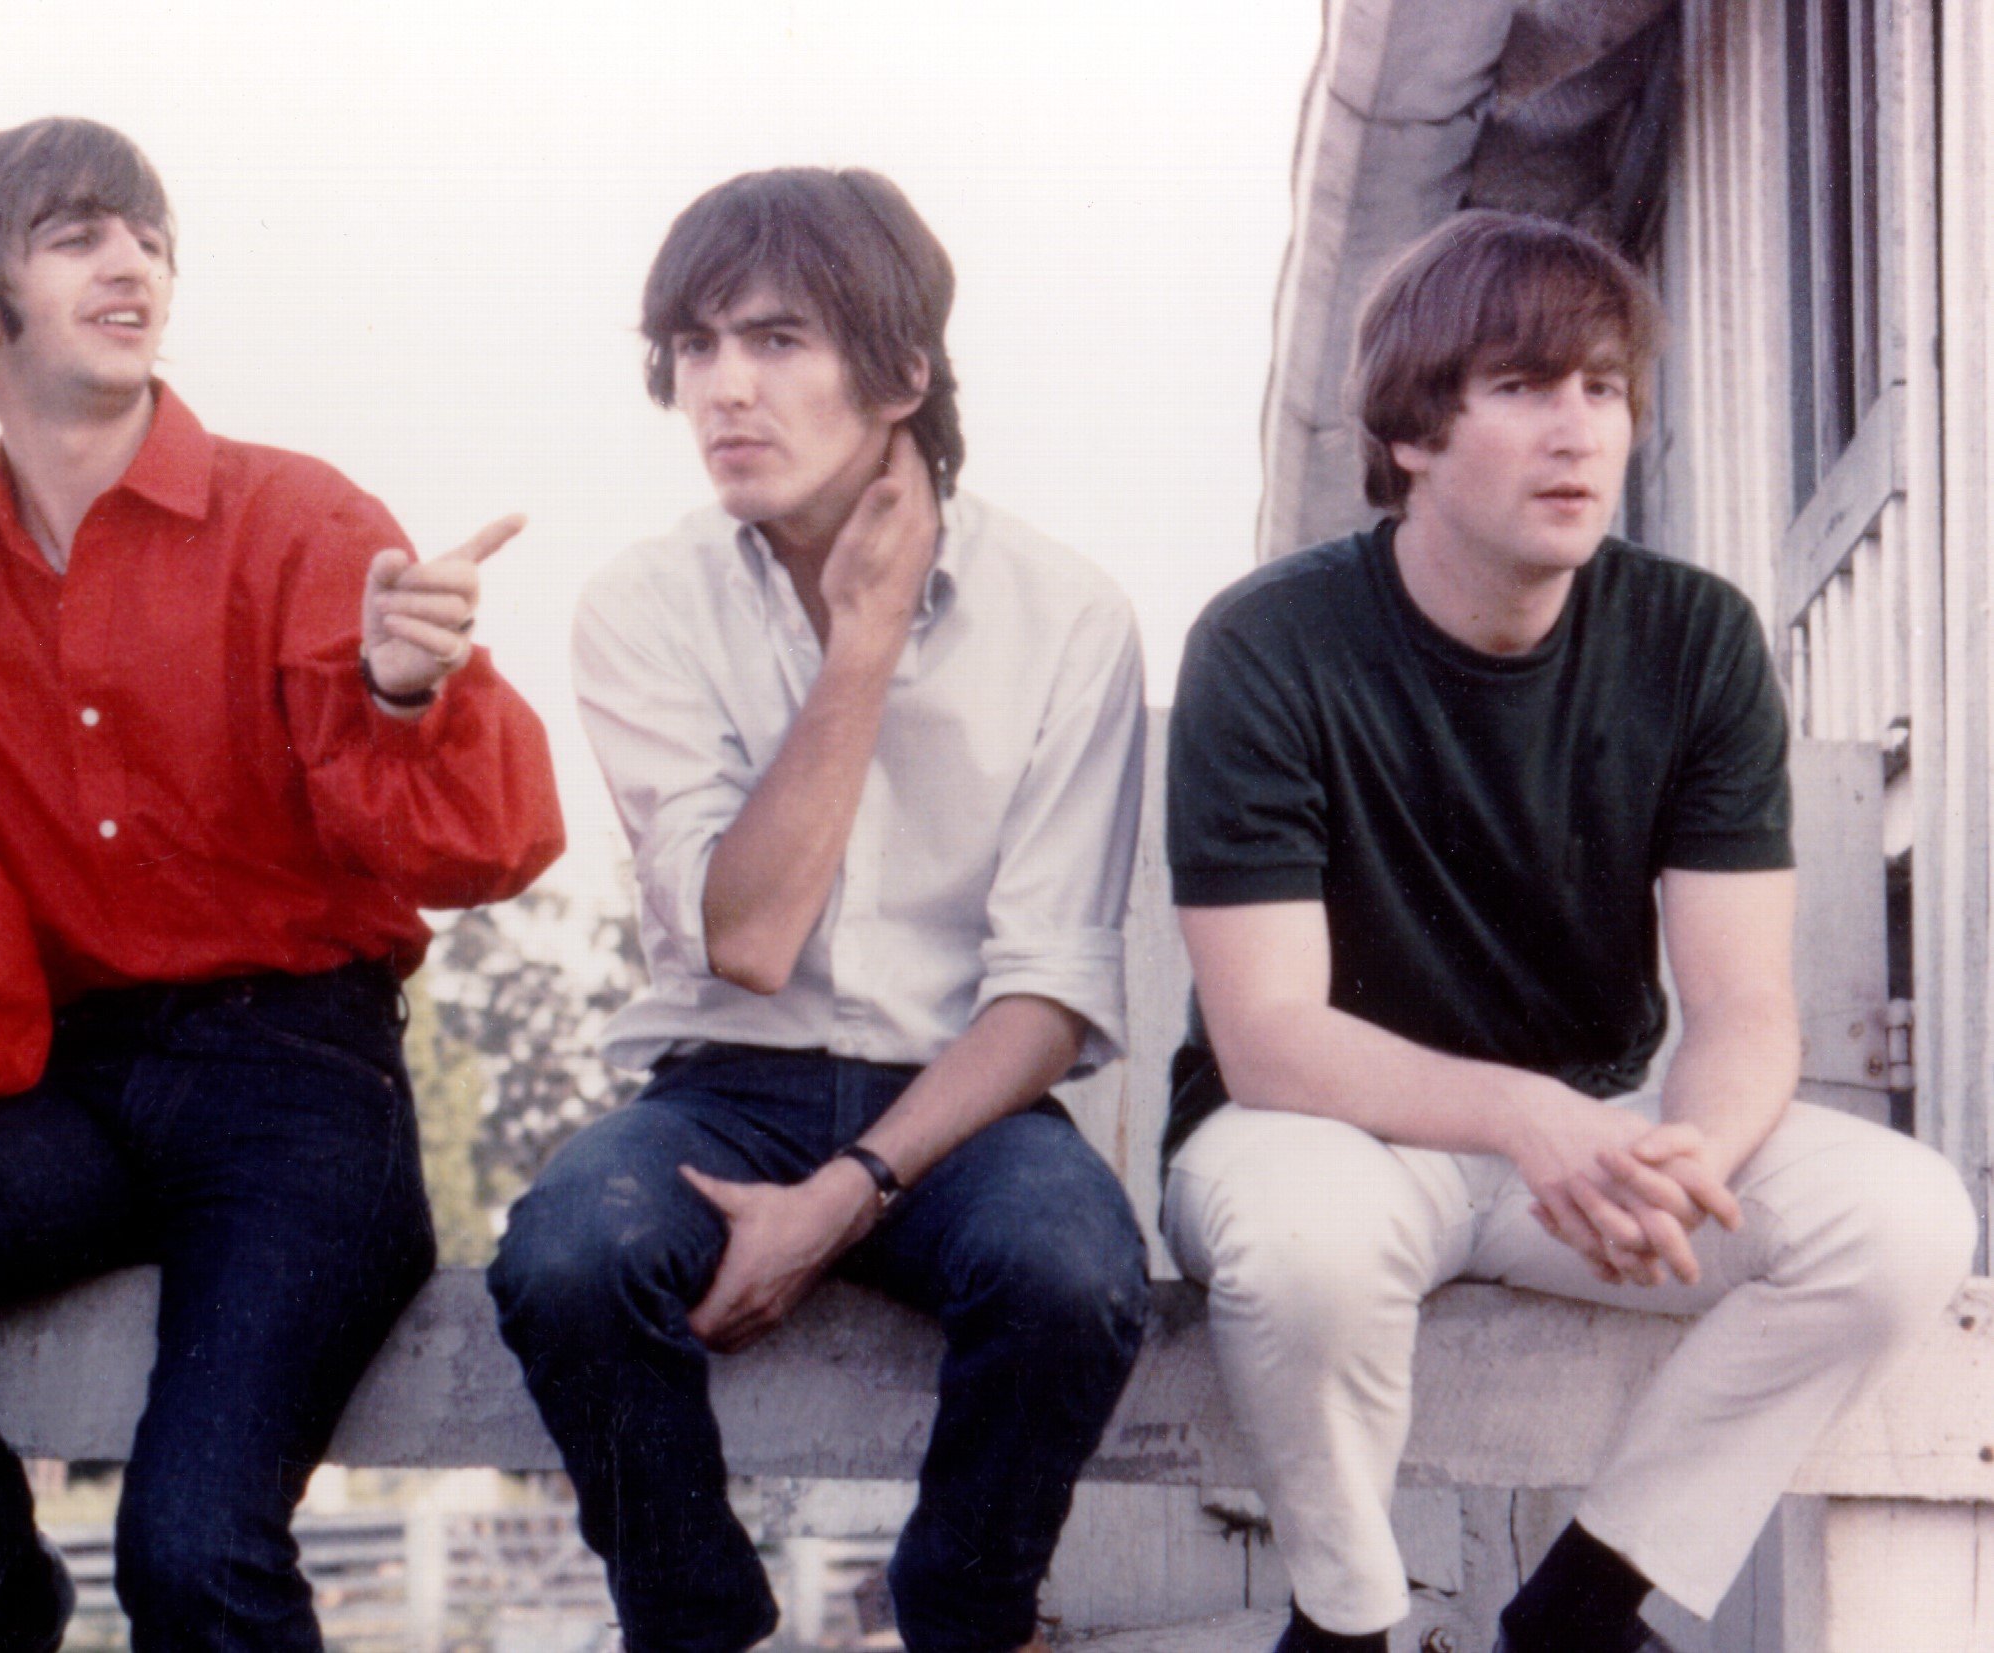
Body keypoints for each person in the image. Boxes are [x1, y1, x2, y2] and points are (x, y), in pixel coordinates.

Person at [0, 116, 564, 1653]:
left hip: (303, 1087)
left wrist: (403, 693)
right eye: (78, 235)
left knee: (189, 1550)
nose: (133, 262)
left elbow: (489, 850)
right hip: (75, 1084)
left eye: (150, 236)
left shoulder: (306, 520)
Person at [1161, 209, 1978, 1653]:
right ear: (1414, 430)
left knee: (1904, 1222)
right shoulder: (1268, 642)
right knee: (1305, 1247)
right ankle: (1346, 1626)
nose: (1578, 430)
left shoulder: (1694, 636)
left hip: (1591, 1140)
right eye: (1526, 388)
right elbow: (1271, 1035)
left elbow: (1741, 1004)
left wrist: (1690, 1159)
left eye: (1604, 390)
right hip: (1322, 1132)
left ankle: (1588, 1611)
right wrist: (1533, 1119)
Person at [488, 167, 1153, 1653]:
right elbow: (749, 938)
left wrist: (849, 1188)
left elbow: (1047, 993)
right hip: (724, 1085)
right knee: (566, 1255)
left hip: (962, 1101)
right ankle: (698, 1623)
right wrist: (861, 652)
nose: (726, 388)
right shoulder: (643, 603)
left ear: (901, 371)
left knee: (1074, 1273)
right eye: (701, 347)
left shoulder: (1067, 614)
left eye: (779, 340)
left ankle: (965, 1613)